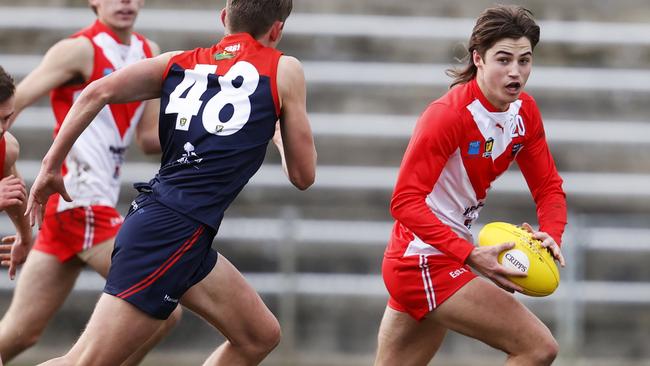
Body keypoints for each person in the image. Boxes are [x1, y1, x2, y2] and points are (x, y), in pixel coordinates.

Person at [27, 0, 316, 364]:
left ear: (224, 18)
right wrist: (278, 134)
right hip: (171, 232)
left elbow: (95, 92)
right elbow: (303, 177)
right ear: (277, 29)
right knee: (87, 361)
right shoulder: (284, 69)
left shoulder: (179, 61)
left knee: (258, 335)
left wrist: (50, 165)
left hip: (174, 225)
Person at [374, 5, 567, 366]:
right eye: (503, 59)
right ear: (478, 58)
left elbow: (549, 188)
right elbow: (404, 202)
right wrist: (468, 254)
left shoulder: (524, 112)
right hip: (422, 262)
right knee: (539, 347)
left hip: (439, 255)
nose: (516, 72)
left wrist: (552, 232)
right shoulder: (447, 116)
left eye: (525, 60)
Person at [0, 1, 183, 365]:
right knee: (159, 305)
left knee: (20, 333)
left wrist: (215, 133)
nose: (125, 2)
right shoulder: (79, 50)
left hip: (69, 211)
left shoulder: (150, 53)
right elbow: (12, 103)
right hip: (79, 202)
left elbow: (148, 138)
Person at [0, 66, 33, 366]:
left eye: (7, 117)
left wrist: (25, 236)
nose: (1, 127)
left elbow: (13, 192)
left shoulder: (5, 147)